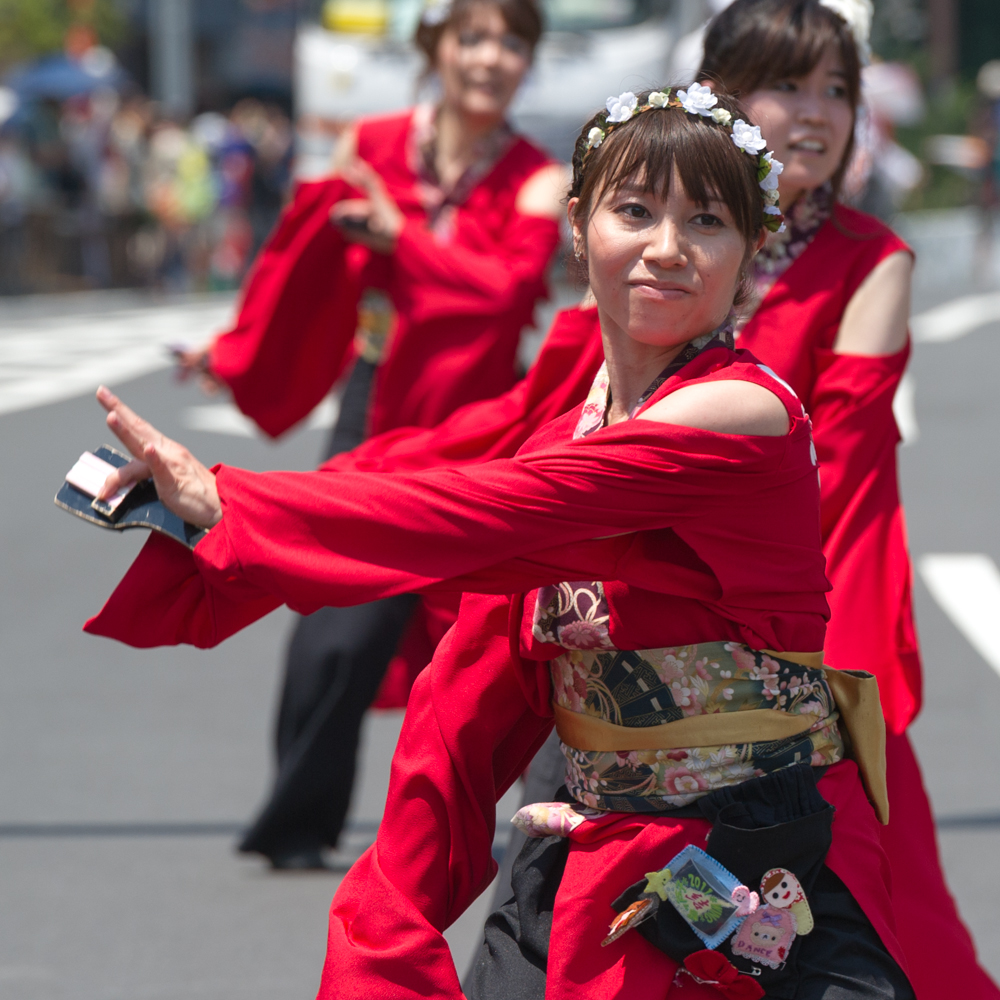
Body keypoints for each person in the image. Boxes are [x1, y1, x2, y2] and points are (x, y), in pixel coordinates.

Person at [87, 89, 914, 999]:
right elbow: (469, 579)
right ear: (579, 226)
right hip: (596, 852)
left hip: (751, 859)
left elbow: (491, 512)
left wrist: (234, 504)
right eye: (635, 211)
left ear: (753, 248)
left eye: (707, 222)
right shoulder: (579, 421)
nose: (667, 250)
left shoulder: (740, 412)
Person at [178, 0, 564, 869]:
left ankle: (543, 828)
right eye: (473, 37)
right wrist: (239, 349)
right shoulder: (374, 145)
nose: (491, 58)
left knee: (502, 636)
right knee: (334, 623)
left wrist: (404, 239)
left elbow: (504, 295)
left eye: (512, 42)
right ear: (438, 47)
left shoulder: (538, 177)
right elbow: (302, 260)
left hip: (486, 423)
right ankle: (297, 822)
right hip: (377, 405)